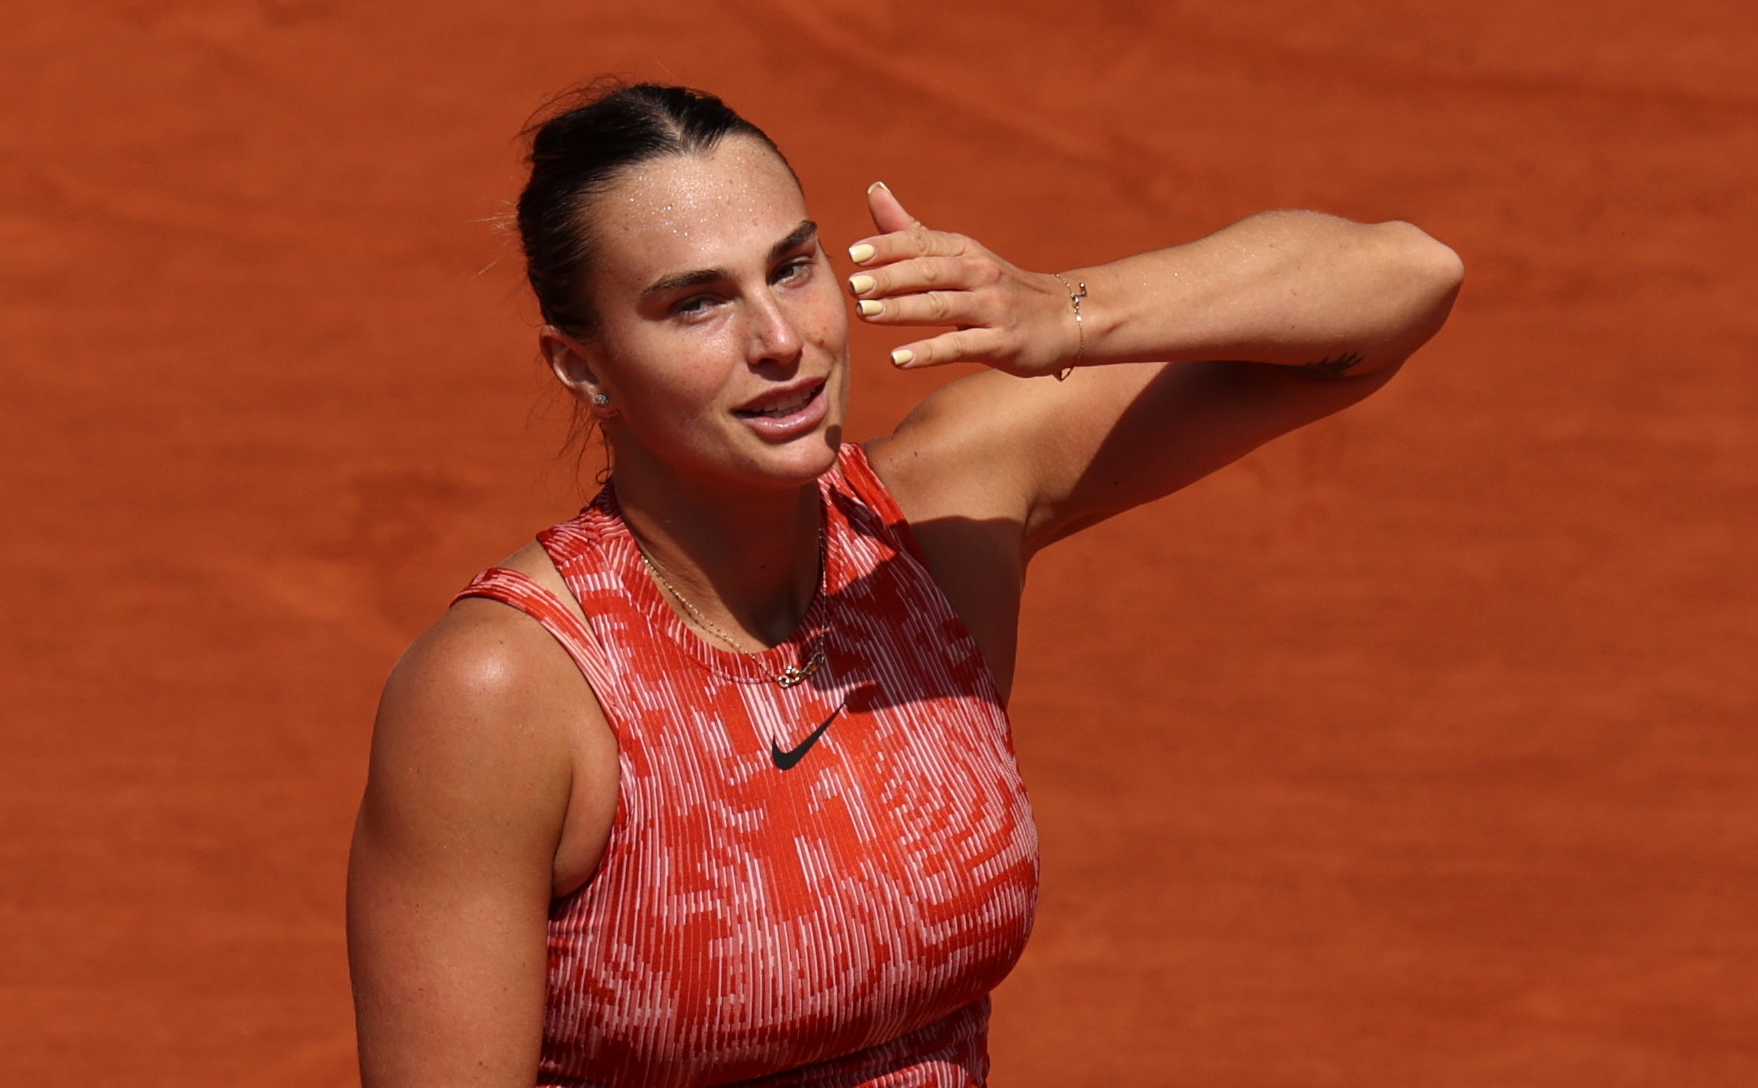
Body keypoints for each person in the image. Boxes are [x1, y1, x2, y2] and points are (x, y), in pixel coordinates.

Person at [345, 82, 1462, 1088]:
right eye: (696, 303)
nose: (780, 338)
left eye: (791, 265)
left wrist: (1064, 308)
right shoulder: (508, 691)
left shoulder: (927, 528)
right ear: (582, 364)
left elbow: (1404, 281)